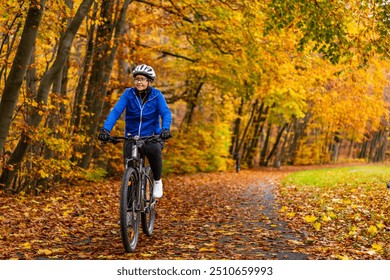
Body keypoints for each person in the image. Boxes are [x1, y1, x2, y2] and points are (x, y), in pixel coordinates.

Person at [98, 64, 172, 198]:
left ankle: (157, 181)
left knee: (154, 150)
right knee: (130, 167)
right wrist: (106, 130)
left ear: (149, 81)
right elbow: (116, 112)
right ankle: (130, 202)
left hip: (152, 136)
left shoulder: (157, 95)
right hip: (131, 137)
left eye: (143, 79)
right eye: (137, 79)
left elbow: (166, 113)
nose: (139, 82)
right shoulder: (128, 94)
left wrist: (165, 129)